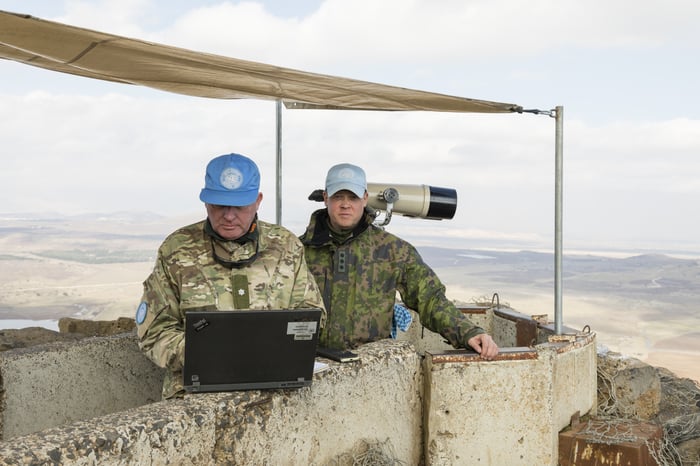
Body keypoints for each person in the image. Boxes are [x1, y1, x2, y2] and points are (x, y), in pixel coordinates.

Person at [136, 153, 325, 399]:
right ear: (205, 202)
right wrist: (209, 356)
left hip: (274, 397)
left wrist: (278, 349)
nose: (228, 215)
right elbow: (153, 331)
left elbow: (311, 315)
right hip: (194, 399)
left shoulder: (286, 246)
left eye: (239, 206)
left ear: (258, 201)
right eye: (219, 205)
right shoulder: (176, 250)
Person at [300, 163, 498, 359]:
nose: (345, 204)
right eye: (337, 197)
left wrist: (468, 332)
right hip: (312, 366)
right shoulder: (299, 251)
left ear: (365, 198)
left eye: (353, 197)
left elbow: (430, 298)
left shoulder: (392, 251)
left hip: (368, 368)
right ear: (326, 198)